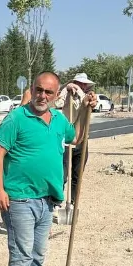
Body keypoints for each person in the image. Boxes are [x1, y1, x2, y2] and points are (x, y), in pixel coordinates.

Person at [0, 72, 76, 266]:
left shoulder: (59, 120)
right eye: (39, 90)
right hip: (19, 199)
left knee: (38, 252)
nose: (42, 96)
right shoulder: (17, 118)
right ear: (33, 89)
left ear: (56, 95)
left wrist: (85, 111)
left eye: (48, 92)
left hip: (47, 199)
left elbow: (76, 136)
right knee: (22, 252)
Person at [54, 72, 99, 206]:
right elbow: (56, 102)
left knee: (77, 174)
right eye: (80, 83)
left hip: (82, 140)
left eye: (85, 84)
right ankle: (57, 201)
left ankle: (72, 201)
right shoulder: (66, 94)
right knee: (62, 175)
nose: (83, 86)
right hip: (67, 140)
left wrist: (89, 100)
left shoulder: (87, 97)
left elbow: (91, 104)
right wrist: (67, 87)